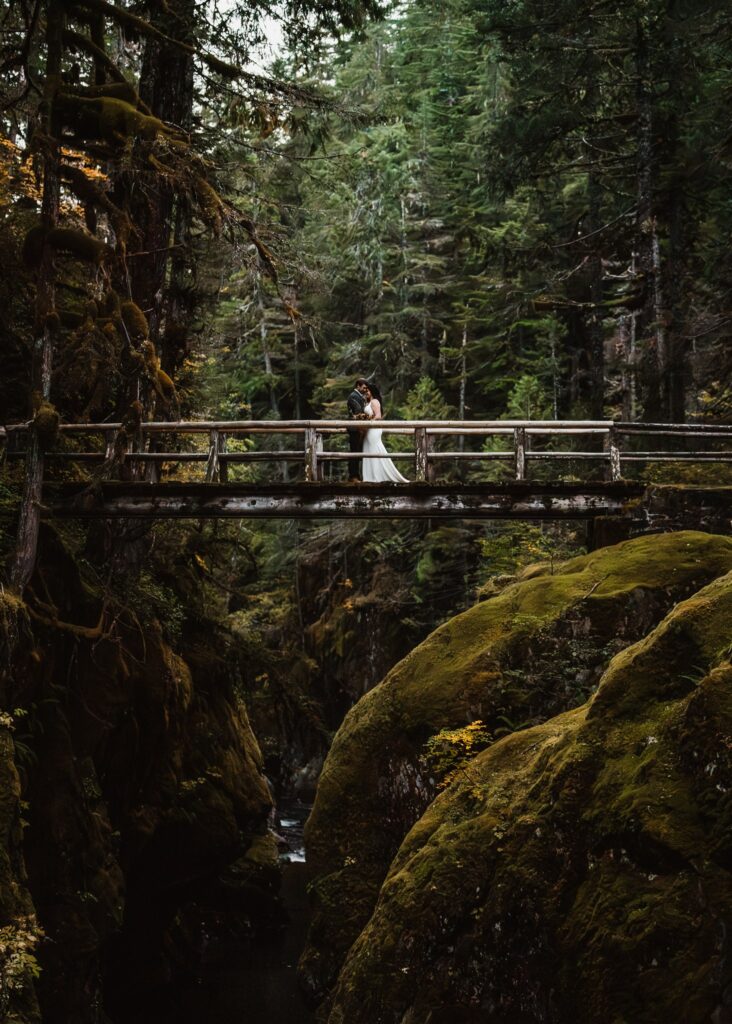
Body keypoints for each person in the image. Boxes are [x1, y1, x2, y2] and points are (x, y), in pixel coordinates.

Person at [361, 382, 409, 484]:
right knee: (368, 449)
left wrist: (369, 423)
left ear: (372, 391)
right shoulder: (368, 402)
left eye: (368, 391)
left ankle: (377, 477)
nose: (366, 393)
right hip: (369, 429)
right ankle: (369, 477)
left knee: (375, 448)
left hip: (374, 429)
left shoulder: (374, 402)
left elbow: (378, 416)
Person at [346, 378, 370, 481]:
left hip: (359, 427)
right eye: (364, 387)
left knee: (358, 451)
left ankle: (357, 475)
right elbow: (358, 411)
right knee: (354, 451)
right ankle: (353, 475)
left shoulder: (360, 396)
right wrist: (366, 416)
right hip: (354, 428)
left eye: (366, 388)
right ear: (358, 386)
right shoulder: (353, 396)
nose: (365, 390)